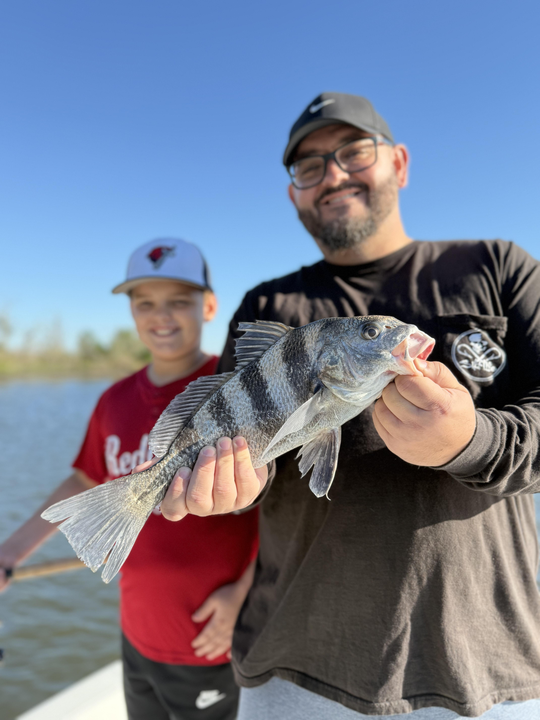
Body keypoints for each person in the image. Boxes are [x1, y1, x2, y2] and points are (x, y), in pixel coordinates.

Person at [158, 94, 540, 718]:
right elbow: (248, 460)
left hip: (490, 673)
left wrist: (471, 441)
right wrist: (229, 486)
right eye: (308, 166)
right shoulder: (266, 307)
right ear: (294, 194)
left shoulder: (500, 267)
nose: (332, 174)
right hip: (290, 672)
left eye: (353, 151)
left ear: (400, 162)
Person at [0, 238, 259, 720]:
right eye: (145, 303)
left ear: (208, 306)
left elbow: (282, 510)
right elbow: (83, 481)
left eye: (179, 301)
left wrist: (243, 590)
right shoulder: (113, 400)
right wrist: (9, 552)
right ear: (132, 312)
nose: (161, 316)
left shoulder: (235, 388)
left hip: (213, 639)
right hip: (138, 633)